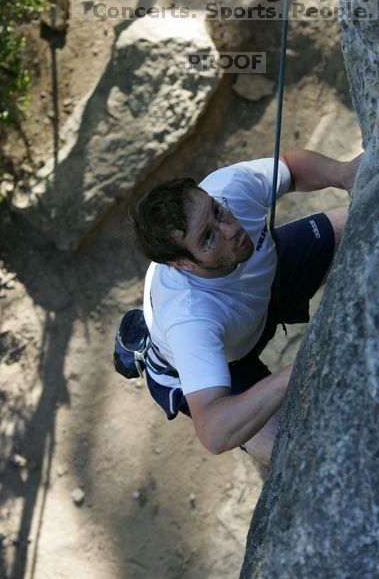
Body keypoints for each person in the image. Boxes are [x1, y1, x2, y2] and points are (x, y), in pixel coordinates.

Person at [130, 150, 362, 466]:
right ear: (182, 263)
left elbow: (290, 168)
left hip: (265, 285)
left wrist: (345, 172)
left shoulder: (228, 189)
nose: (231, 230)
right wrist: (300, 368)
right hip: (227, 362)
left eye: (217, 211)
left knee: (363, 217)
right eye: (209, 238)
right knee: (303, 457)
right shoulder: (190, 320)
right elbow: (214, 431)